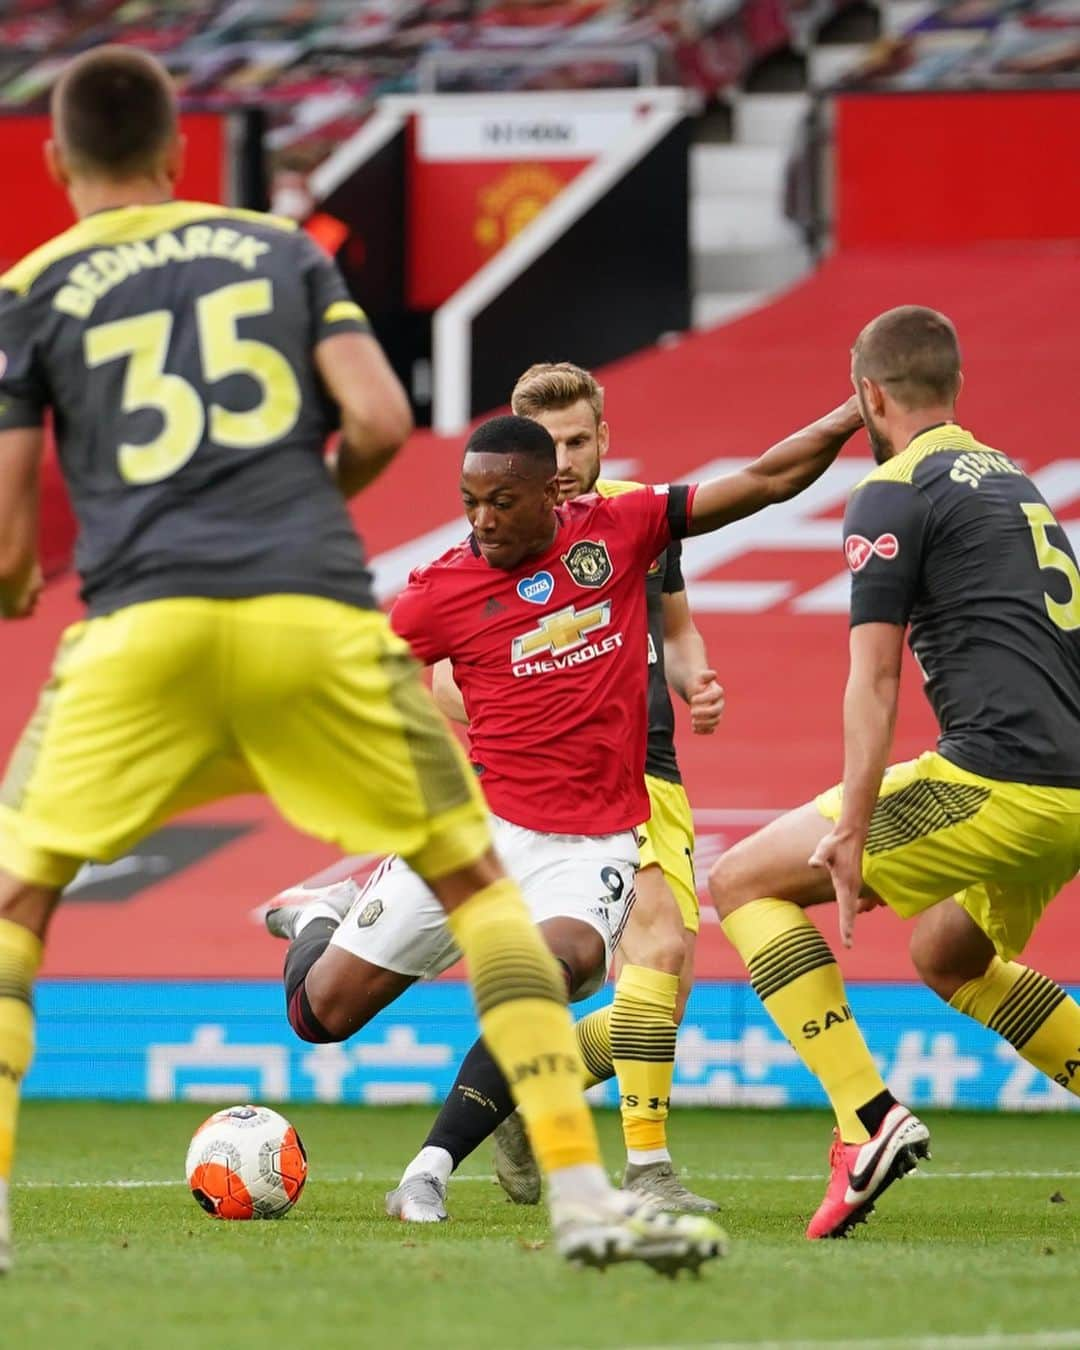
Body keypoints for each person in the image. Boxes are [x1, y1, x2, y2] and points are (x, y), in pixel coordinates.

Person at [0, 46, 705, 1276]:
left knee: (21, 903)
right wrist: (298, 509)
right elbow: (381, 419)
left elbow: (15, 538)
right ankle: (587, 1199)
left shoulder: (29, 289)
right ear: (182, 156)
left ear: (57, 161)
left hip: (136, 621)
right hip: (303, 603)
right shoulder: (280, 250)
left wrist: (22, 580)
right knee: (480, 895)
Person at [265, 401, 863, 1225]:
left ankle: (427, 1172)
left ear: (553, 491)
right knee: (320, 1017)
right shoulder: (442, 588)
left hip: (589, 846)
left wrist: (845, 414)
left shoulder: (619, 529)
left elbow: (768, 479)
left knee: (555, 970)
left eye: (501, 501)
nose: (482, 520)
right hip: (476, 830)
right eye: (469, 501)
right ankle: (312, 920)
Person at [709, 305, 1080, 1240]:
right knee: (948, 954)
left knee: (744, 880)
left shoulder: (893, 492)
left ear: (868, 393)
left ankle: (866, 1121)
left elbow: (873, 679)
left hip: (1000, 776)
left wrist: (850, 826)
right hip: (1069, 785)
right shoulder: (1014, 484)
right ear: (956, 388)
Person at [418, 362, 723, 1214]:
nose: (563, 458)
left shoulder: (638, 521)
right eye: (545, 444)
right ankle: (650, 1171)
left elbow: (680, 629)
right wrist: (511, 717)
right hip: (555, 785)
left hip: (648, 765)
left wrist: (699, 680)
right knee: (654, 953)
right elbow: (433, 672)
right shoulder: (489, 548)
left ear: (604, 438)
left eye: (578, 440)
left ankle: (517, 1089)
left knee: (660, 981)